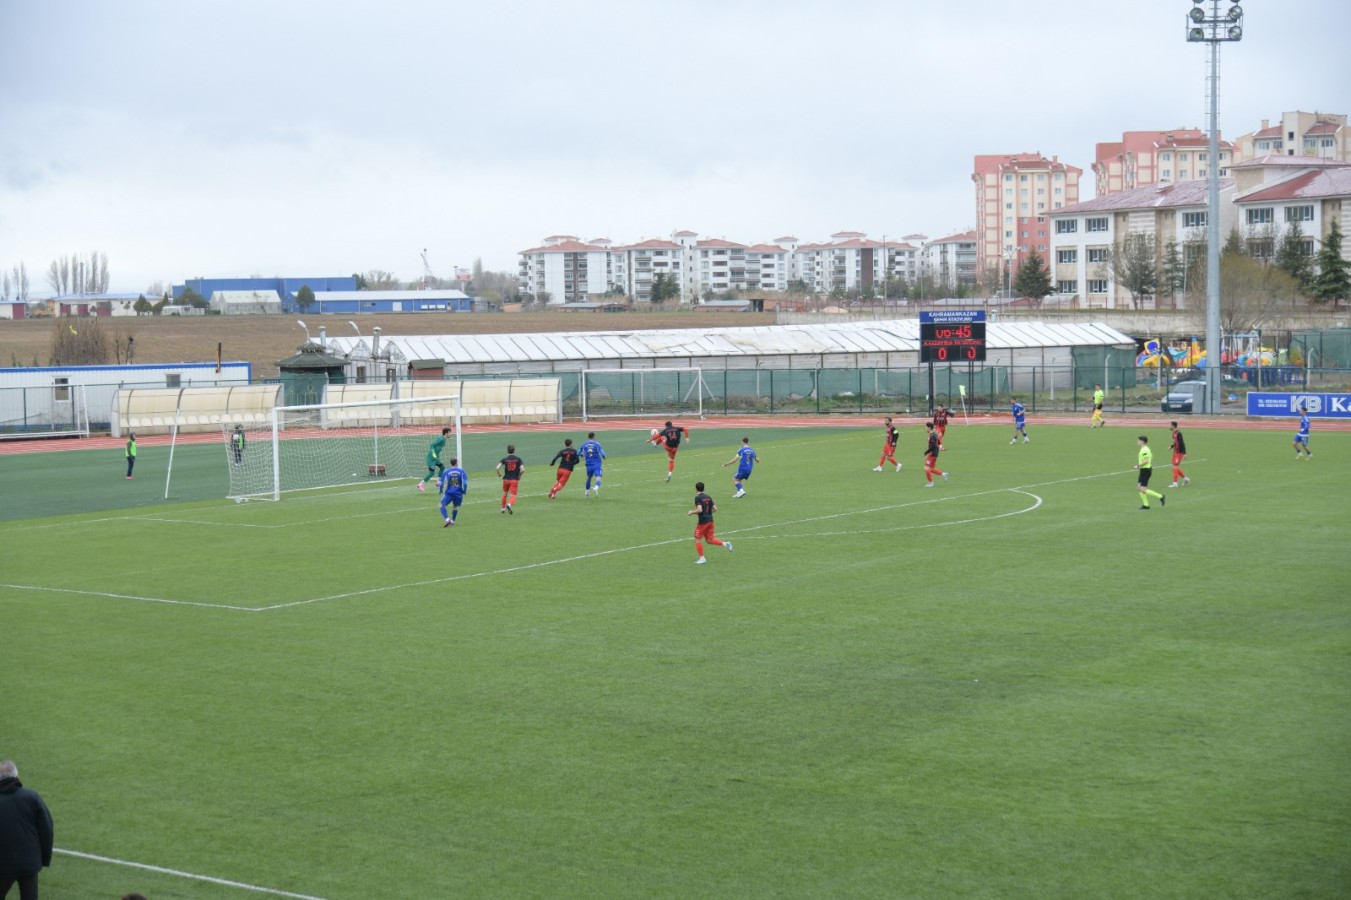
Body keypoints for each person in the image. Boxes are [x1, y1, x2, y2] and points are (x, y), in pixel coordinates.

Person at [0, 759, 54, 900]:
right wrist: (44, 858)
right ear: (16, 775)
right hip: (29, 863)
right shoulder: (32, 797)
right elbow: (46, 829)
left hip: (3, 864)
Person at [687, 481, 733, 564]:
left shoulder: (697, 498)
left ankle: (702, 558)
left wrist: (691, 512)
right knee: (709, 540)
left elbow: (700, 510)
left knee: (697, 538)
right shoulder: (708, 497)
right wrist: (707, 513)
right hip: (710, 521)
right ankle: (726, 544)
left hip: (703, 522)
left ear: (696, 489)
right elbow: (715, 509)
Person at [1135, 435, 1166, 510]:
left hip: (1146, 470)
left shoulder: (1145, 450)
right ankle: (1146, 505)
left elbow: (1146, 460)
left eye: (1138, 441)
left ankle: (1160, 496)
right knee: (1139, 488)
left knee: (1143, 489)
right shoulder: (1144, 449)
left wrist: (1138, 465)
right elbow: (1150, 457)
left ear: (1142, 441)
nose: (1137, 442)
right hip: (1143, 470)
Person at [419, 427, 451, 492]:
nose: (450, 434)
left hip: (436, 458)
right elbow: (432, 445)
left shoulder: (444, 439)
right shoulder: (440, 438)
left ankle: (438, 481)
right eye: (449, 433)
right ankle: (421, 484)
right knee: (431, 473)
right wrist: (433, 453)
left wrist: (436, 456)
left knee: (442, 467)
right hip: (431, 458)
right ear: (446, 433)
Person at [438, 458, 468, 527]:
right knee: (455, 506)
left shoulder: (447, 471)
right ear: (456, 463)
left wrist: (440, 490)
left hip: (449, 492)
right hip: (458, 492)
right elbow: (465, 483)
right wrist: (464, 491)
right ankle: (453, 521)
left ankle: (447, 519)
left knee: (441, 504)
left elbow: (441, 483)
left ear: (450, 463)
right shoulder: (462, 471)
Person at [496, 444, 524, 514]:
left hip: (506, 480)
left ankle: (503, 509)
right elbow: (523, 469)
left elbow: (497, 468)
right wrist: (519, 475)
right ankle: (509, 505)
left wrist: (499, 474)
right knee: (513, 495)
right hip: (514, 480)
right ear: (514, 450)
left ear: (507, 451)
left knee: (505, 493)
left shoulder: (504, 459)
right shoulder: (518, 459)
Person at [579, 432, 606, 496]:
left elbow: (578, 453)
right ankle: (596, 487)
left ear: (588, 437)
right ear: (594, 436)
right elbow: (602, 453)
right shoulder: (597, 444)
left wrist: (581, 455)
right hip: (596, 464)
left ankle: (587, 491)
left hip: (588, 464)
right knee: (598, 476)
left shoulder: (584, 444)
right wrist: (604, 457)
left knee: (589, 477)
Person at [923, 421, 948, 487]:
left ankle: (931, 483)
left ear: (929, 428)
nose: (925, 428)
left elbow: (933, 446)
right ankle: (943, 474)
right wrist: (940, 446)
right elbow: (938, 442)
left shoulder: (933, 435)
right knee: (931, 469)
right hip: (934, 453)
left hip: (932, 454)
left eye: (926, 427)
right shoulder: (934, 434)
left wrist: (926, 452)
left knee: (926, 468)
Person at [1169, 421, 1190, 488]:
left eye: (1170, 425)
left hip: (1179, 453)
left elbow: (1182, 443)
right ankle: (1185, 478)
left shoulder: (1179, 433)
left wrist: (1184, 453)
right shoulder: (1173, 433)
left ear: (1173, 426)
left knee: (1175, 466)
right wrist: (1171, 446)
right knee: (1174, 467)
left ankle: (1175, 483)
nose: (1169, 426)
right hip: (1175, 452)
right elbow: (1175, 442)